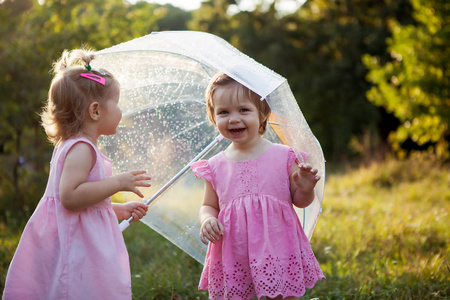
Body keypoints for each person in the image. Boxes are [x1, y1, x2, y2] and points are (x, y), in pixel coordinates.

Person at [3, 48, 151, 300]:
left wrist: (115, 211)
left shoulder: (76, 145)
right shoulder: (82, 148)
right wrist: (117, 183)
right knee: (76, 290)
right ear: (95, 111)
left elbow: (77, 208)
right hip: (76, 248)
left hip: (70, 235)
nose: (120, 112)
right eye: (116, 104)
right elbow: (70, 197)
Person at [191, 72, 325, 300]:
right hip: (235, 248)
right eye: (223, 112)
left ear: (262, 114)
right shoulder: (214, 166)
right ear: (213, 117)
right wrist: (207, 219)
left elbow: (300, 201)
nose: (233, 119)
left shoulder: (284, 156)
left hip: (277, 245)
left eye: (243, 110)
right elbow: (209, 205)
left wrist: (305, 188)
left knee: (282, 294)